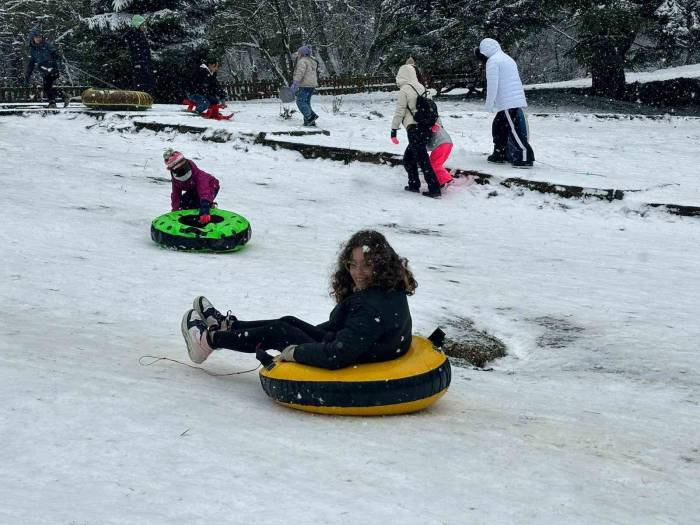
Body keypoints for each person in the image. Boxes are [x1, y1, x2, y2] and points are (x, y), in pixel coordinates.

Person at [181, 229, 416, 370]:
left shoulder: (370, 308)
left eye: (366, 266)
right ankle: (230, 327)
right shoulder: (389, 286)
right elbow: (345, 332)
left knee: (279, 331)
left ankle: (208, 341)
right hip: (364, 349)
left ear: (381, 264)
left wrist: (296, 352)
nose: (357, 272)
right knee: (288, 322)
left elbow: (337, 355)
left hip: (356, 360)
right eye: (352, 265)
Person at [476, 38, 535, 168]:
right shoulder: (506, 58)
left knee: (514, 130)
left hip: (507, 102)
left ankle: (525, 157)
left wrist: (489, 104)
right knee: (498, 126)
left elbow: (492, 85)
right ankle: (500, 153)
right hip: (511, 101)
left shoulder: (493, 61)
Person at [390, 64, 441, 198]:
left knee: (422, 159)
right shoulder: (421, 86)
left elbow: (399, 111)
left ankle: (434, 189)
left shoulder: (404, 90)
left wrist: (393, 130)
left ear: (401, 75)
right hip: (426, 128)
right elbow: (432, 108)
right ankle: (413, 185)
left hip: (414, 129)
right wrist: (436, 124)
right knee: (409, 158)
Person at [164, 149, 220, 224]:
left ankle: (210, 207)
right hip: (194, 189)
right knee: (183, 203)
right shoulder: (176, 180)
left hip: (211, 186)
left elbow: (204, 192)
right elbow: (176, 195)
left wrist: (205, 207)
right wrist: (175, 210)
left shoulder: (199, 176)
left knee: (198, 204)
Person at [25, 29, 63, 108]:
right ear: (33, 39)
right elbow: (32, 62)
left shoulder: (47, 45)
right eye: (36, 37)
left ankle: (52, 102)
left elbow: (54, 51)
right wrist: (28, 73)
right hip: (44, 69)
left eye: (39, 37)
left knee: (47, 86)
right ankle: (63, 95)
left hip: (52, 67)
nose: (38, 39)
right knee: (47, 87)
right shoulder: (33, 49)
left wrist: (55, 55)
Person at [123, 15, 155, 94]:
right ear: (137, 25)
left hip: (144, 62)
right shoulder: (133, 35)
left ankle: (145, 96)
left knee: (147, 81)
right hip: (138, 63)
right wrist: (137, 62)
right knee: (140, 82)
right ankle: (140, 96)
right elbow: (134, 51)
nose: (144, 27)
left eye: (145, 25)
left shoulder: (141, 34)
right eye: (142, 25)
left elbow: (144, 50)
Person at [290, 45, 319, 127]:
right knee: (306, 102)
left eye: (299, 53)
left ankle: (311, 117)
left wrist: (295, 82)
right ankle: (309, 121)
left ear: (302, 54)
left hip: (305, 85)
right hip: (311, 85)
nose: (298, 55)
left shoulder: (302, 61)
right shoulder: (311, 61)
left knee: (300, 101)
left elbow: (300, 73)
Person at [428, 124, 454, 188]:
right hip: (448, 143)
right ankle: (441, 181)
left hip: (441, 144)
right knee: (437, 164)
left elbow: (425, 143)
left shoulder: (427, 126)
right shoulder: (435, 123)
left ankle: (447, 179)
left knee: (433, 163)